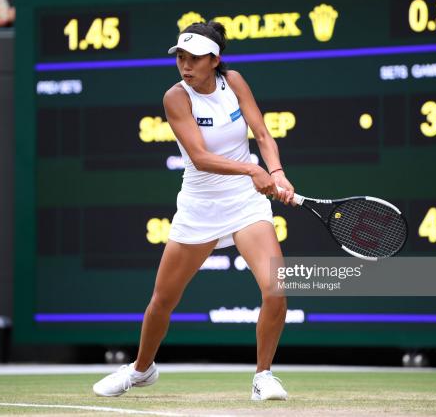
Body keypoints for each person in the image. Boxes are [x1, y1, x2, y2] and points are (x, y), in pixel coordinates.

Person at [93, 21, 296, 401]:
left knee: (276, 288)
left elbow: (263, 135)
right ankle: (141, 369)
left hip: (244, 202)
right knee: (163, 301)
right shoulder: (175, 97)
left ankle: (263, 375)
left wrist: (277, 172)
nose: (185, 65)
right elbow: (201, 158)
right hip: (199, 206)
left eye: (195, 58)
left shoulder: (234, 82)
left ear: (215, 60)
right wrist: (254, 169)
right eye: (181, 57)